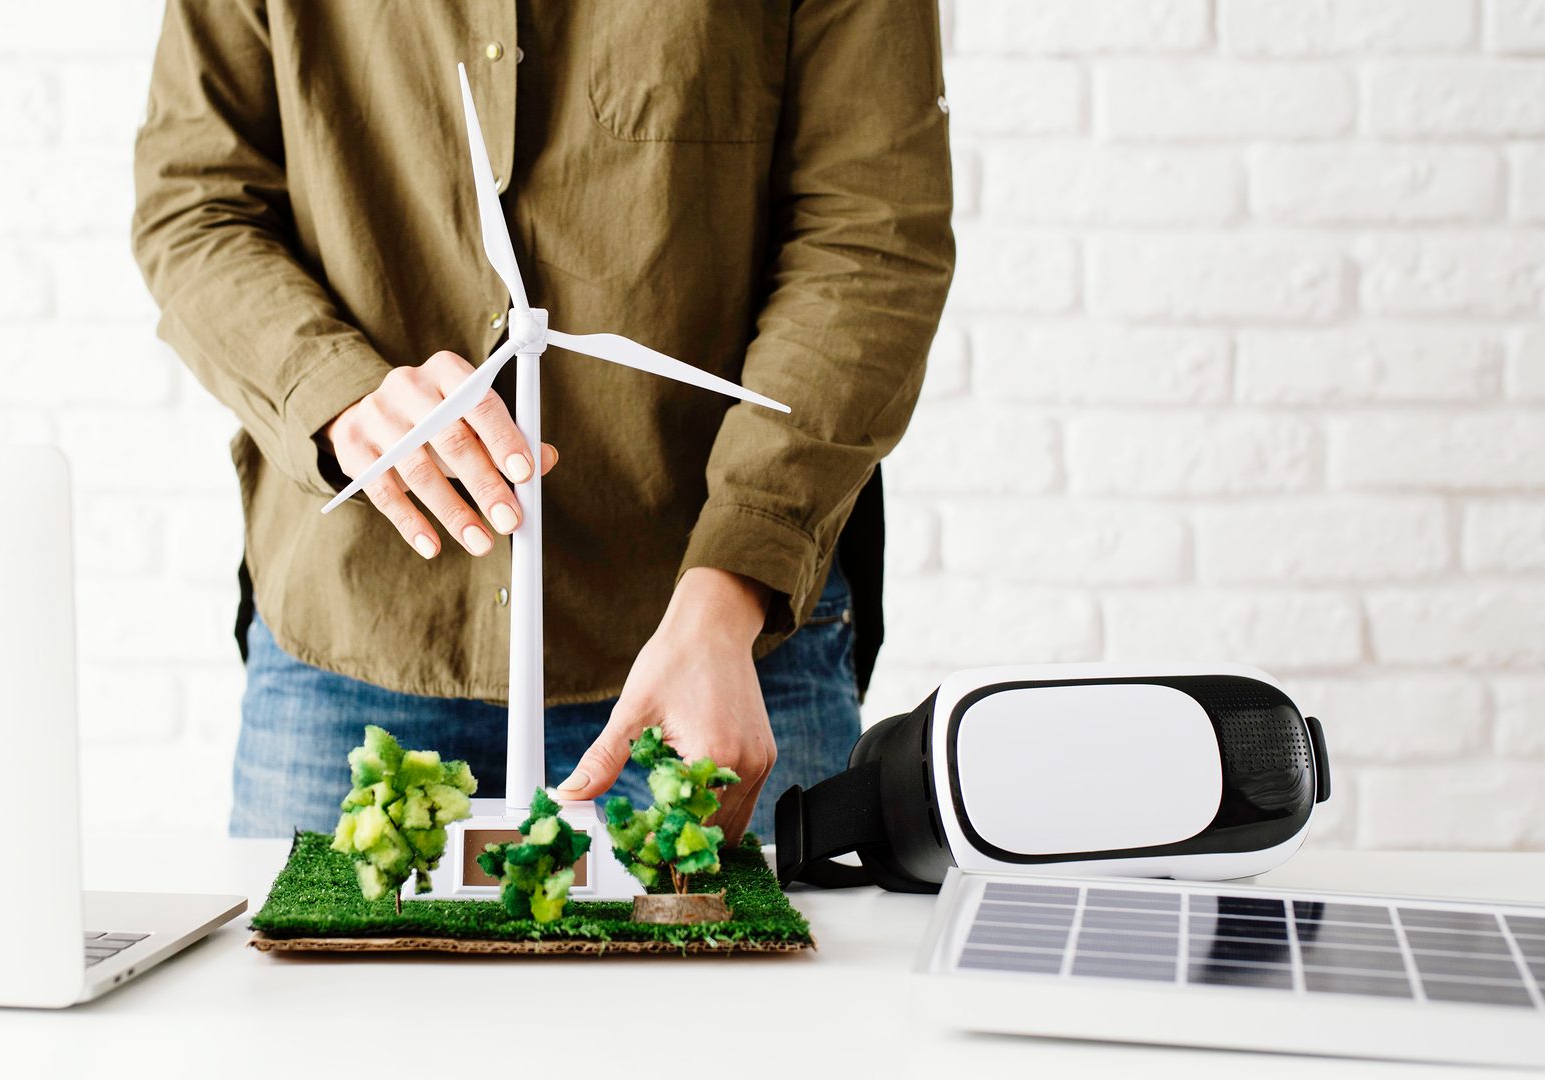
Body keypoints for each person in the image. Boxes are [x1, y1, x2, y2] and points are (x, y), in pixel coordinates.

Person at [132, 1, 954, 843]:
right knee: (294, 978)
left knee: (757, 976)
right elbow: (194, 200)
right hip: (352, 632)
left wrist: (731, 585)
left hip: (722, 646)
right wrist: (333, 391)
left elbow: (870, 236)